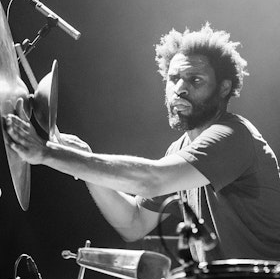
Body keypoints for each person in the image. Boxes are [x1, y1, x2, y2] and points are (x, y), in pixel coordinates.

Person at [5, 23, 280, 263]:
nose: (180, 89)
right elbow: (134, 223)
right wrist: (85, 164)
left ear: (224, 88)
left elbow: (153, 179)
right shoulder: (179, 149)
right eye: (173, 79)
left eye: (195, 79)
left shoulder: (232, 136)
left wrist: (47, 153)